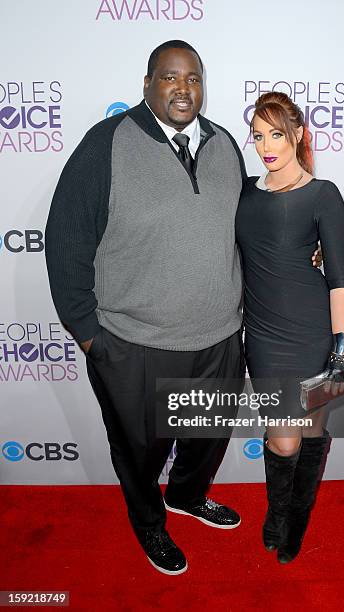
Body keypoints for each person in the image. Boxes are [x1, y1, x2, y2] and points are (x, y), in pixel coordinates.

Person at [45, 40, 248, 576]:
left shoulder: (224, 143)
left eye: (193, 78)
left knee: (206, 439)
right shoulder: (106, 145)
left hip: (220, 338)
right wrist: (91, 336)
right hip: (135, 345)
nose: (183, 89)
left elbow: (242, 226)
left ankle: (186, 496)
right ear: (147, 84)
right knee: (141, 451)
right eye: (169, 78)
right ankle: (149, 523)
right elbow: (66, 241)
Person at [235, 91, 344, 564]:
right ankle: (276, 514)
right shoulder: (244, 191)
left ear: (299, 135)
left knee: (310, 432)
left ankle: (294, 523)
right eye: (258, 135)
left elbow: (340, 280)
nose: (266, 145)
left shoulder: (323, 195)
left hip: (313, 334)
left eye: (276, 134)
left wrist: (341, 349)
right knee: (281, 437)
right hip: (262, 337)